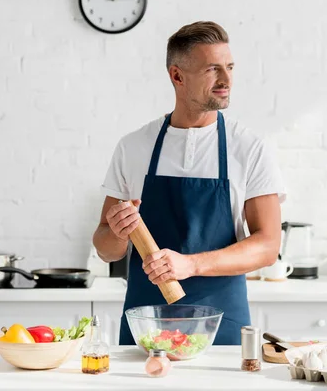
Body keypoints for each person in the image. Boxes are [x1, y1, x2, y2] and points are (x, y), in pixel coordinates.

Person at [93, 21, 286, 346]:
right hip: (146, 330)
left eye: (230, 67)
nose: (226, 80)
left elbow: (268, 246)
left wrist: (191, 264)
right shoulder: (134, 147)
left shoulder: (249, 148)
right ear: (177, 76)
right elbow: (105, 249)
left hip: (222, 327)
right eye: (213, 69)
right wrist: (116, 232)